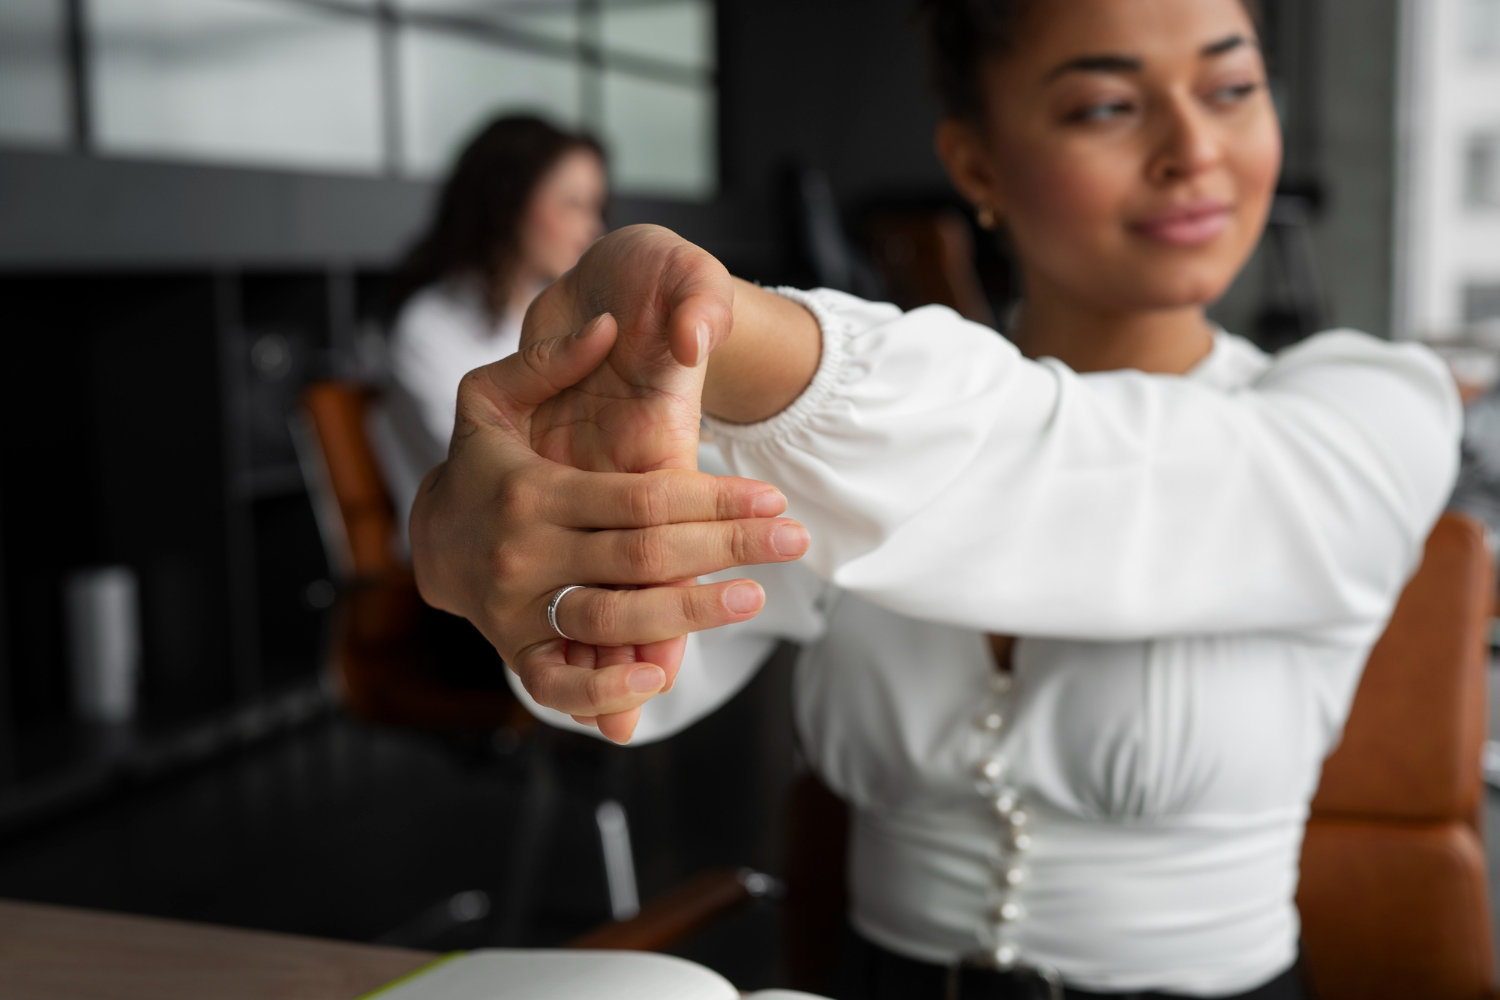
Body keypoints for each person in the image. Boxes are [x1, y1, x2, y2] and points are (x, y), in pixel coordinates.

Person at [408, 0, 1462, 997]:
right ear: (975, 162)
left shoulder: (1374, 415)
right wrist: (540, 566)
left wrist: (717, 322)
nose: (1194, 149)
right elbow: (620, 676)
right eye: (1108, 104)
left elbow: (1063, 469)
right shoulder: (852, 431)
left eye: (1233, 89)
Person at [371, 115, 608, 535]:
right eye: (573, 204)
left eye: (595, 206)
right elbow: (484, 477)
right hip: (472, 557)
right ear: (509, 202)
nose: (593, 228)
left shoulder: (560, 314)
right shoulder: (426, 329)